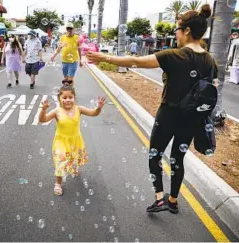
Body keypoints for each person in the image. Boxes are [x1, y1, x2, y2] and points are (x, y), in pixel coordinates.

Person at [87, 4, 215, 214]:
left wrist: (102, 57)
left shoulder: (175, 55)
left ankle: (159, 198)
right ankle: (173, 200)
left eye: (177, 30)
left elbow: (135, 61)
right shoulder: (211, 60)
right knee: (178, 157)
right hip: (192, 118)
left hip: (169, 114)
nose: (176, 34)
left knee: (155, 155)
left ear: (187, 31)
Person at [39, 85, 106, 195]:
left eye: (70, 97)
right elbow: (42, 119)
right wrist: (43, 110)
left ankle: (74, 167)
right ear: (59, 99)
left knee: (75, 157)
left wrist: (98, 107)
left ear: (74, 98)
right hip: (61, 141)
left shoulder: (79, 109)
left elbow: (93, 113)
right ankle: (58, 184)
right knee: (60, 162)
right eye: (64, 97)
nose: (67, 100)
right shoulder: (57, 111)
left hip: (75, 139)